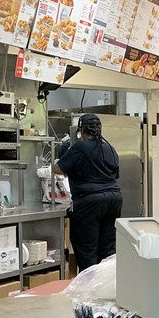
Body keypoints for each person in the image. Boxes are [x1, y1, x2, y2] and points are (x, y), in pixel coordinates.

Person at [53, 113, 123, 271]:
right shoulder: (110, 149)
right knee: (107, 249)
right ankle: (106, 288)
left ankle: (89, 291)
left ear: (82, 130)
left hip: (90, 202)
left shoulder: (79, 147)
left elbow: (58, 169)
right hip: (114, 199)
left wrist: (61, 157)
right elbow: (115, 175)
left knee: (87, 250)